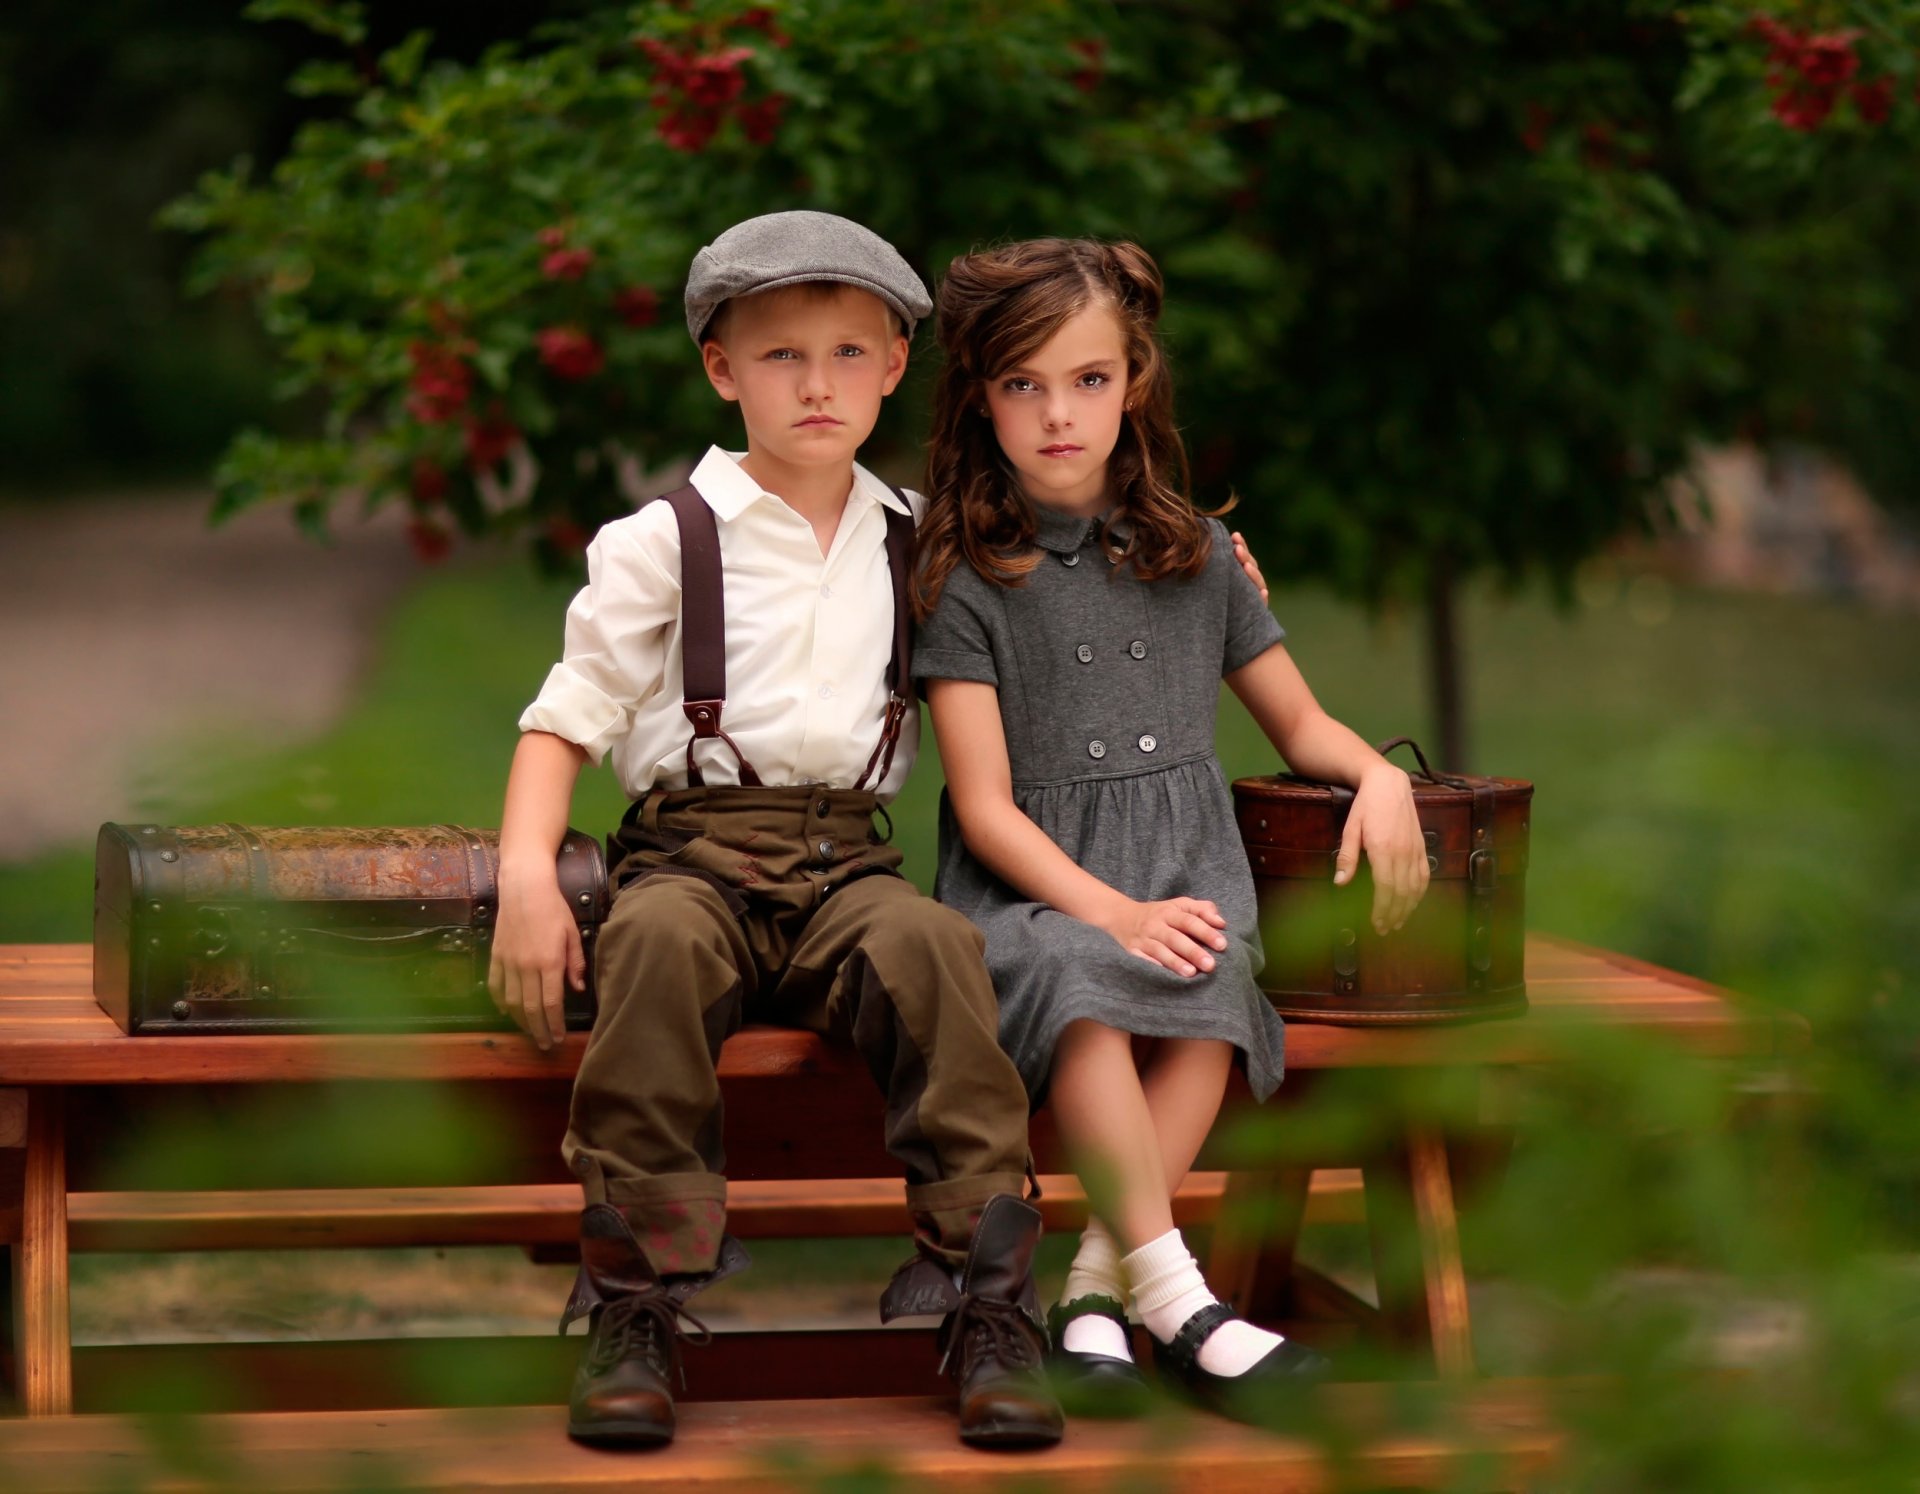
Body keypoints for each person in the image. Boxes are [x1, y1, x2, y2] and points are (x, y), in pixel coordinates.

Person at [489, 211, 1062, 1451]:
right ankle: (638, 1301)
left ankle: (988, 1299)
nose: (817, 385)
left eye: (851, 354)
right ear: (720, 367)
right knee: (651, 948)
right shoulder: (664, 542)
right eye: (782, 356)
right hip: (690, 849)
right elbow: (564, 719)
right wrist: (528, 877)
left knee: (933, 950)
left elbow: (1079, 566)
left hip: (847, 858)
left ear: (897, 366)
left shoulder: (922, 536)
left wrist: (1216, 570)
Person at [912, 238, 1431, 1419]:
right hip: (1034, 893)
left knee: (1208, 986)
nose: (1058, 415)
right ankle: (1186, 1306)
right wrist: (1111, 913)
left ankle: (1094, 1294)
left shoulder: (1197, 553)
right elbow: (984, 807)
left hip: (1184, 867)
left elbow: (1299, 723)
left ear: (1135, 381)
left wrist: (1381, 778)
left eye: (1089, 381)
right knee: (1093, 986)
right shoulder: (964, 574)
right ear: (980, 394)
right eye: (1023, 384)